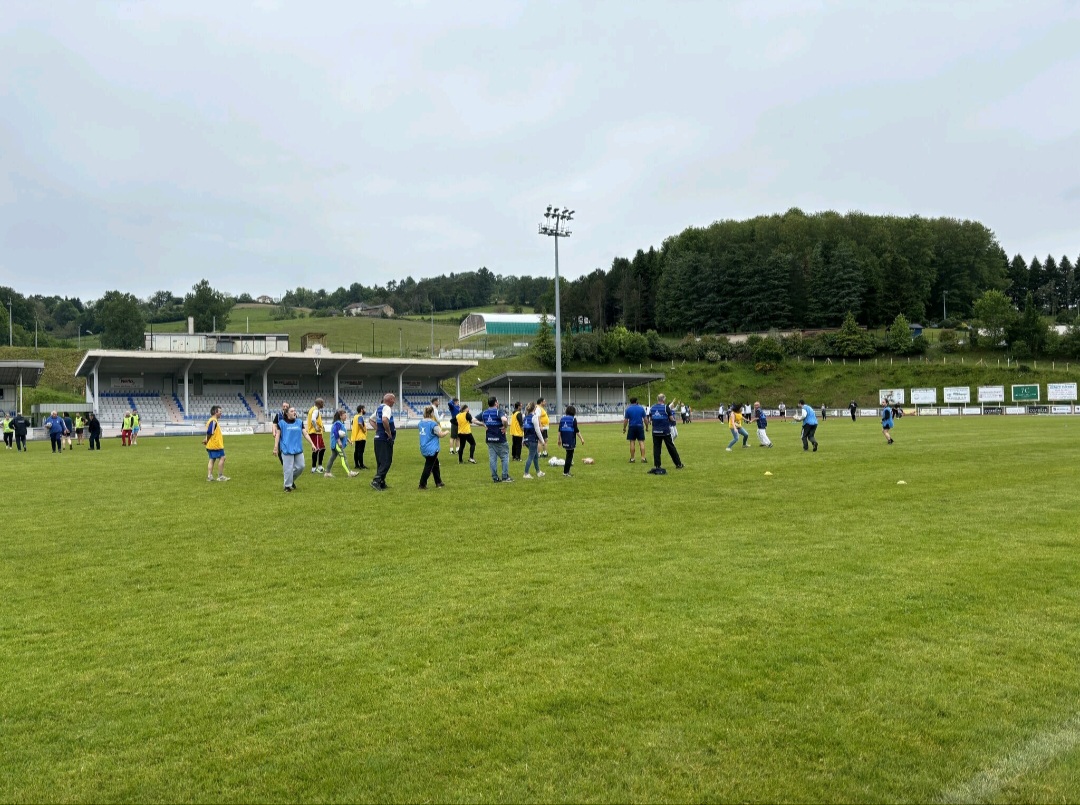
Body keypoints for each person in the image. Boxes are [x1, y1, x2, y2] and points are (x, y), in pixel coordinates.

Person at [274, 405, 312, 492]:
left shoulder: (299, 422)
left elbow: (305, 434)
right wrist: (276, 447)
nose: (294, 412)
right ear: (287, 414)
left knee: (301, 466)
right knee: (288, 469)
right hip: (287, 449)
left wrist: (312, 444)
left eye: (295, 411)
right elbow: (278, 435)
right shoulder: (281, 423)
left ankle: (291, 481)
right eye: (292, 411)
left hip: (298, 449)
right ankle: (287, 486)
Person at [647, 394, 684, 474]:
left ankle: (657, 465)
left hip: (655, 432)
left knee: (657, 449)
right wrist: (673, 421)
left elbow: (650, 419)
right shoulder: (665, 407)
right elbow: (671, 418)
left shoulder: (652, 408)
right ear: (663, 399)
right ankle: (678, 463)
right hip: (665, 431)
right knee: (671, 447)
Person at [480, 396, 511, 483]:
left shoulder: (484, 412)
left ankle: (495, 478)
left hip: (489, 439)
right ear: (496, 403)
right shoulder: (498, 411)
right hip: (500, 439)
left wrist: (483, 424)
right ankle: (505, 476)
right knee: (504, 457)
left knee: (492, 459)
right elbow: (504, 419)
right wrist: (505, 427)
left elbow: (473, 420)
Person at [370, 393, 396, 491]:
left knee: (381, 462)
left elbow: (371, 420)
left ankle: (382, 482)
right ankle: (376, 481)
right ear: (389, 400)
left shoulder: (379, 408)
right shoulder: (387, 408)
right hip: (384, 439)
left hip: (378, 438)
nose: (394, 401)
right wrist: (388, 433)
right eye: (393, 399)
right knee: (386, 461)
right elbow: (385, 420)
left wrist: (378, 430)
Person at [417, 405, 447, 489]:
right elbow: (440, 434)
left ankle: (438, 482)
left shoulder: (420, 423)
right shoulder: (433, 424)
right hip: (432, 448)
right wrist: (446, 432)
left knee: (435, 464)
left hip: (423, 447)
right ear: (432, 413)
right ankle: (422, 484)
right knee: (429, 466)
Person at [324, 408, 359, 478]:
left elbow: (343, 434)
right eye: (345, 415)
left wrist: (348, 440)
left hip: (335, 444)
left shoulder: (340, 423)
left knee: (332, 458)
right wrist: (339, 441)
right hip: (337, 444)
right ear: (340, 416)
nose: (346, 416)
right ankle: (349, 472)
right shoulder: (338, 423)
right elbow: (335, 432)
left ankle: (327, 473)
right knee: (344, 457)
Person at [522, 401, 546, 479]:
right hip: (532, 440)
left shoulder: (526, 417)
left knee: (535, 456)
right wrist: (542, 441)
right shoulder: (534, 417)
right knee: (531, 456)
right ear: (534, 408)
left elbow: (524, 430)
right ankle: (526, 473)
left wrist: (523, 440)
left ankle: (538, 472)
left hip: (527, 439)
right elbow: (537, 430)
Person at [203, 405, 229, 481]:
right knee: (223, 458)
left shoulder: (212, 420)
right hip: (216, 445)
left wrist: (206, 440)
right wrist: (207, 439)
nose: (221, 413)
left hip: (211, 445)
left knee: (212, 459)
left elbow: (210, 432)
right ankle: (220, 476)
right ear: (215, 412)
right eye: (220, 411)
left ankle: (209, 476)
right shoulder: (214, 421)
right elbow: (210, 432)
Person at [558, 405, 583, 477]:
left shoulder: (562, 419)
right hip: (570, 439)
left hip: (564, 439)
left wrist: (559, 440)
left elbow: (559, 430)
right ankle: (566, 472)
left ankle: (566, 471)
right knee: (569, 456)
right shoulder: (573, 419)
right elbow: (576, 431)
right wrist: (581, 439)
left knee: (568, 454)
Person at [623, 396, 648, 463]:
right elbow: (645, 419)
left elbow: (626, 420)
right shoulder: (641, 408)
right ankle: (643, 458)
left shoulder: (628, 409)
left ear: (630, 402)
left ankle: (632, 458)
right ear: (636, 401)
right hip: (640, 426)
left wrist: (624, 428)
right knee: (641, 442)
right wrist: (647, 427)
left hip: (632, 427)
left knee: (632, 442)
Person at [306, 397, 326, 473]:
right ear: (319, 403)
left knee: (322, 448)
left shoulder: (312, 409)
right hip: (315, 433)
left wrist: (321, 426)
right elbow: (313, 419)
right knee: (316, 449)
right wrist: (316, 427)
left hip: (316, 433)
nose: (323, 404)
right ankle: (314, 468)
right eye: (322, 403)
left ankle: (319, 467)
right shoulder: (315, 410)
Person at [271, 401, 290, 465]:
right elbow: (274, 424)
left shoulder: (291, 415)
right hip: (280, 436)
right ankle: (284, 466)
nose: (285, 407)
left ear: (289, 407)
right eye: (284, 406)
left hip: (289, 436)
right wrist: (274, 432)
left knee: (289, 451)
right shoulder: (278, 415)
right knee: (279, 452)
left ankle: (290, 465)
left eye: (286, 406)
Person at [351, 405, 369, 469]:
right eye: (364, 409)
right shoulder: (360, 417)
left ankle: (356, 465)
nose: (365, 410)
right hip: (361, 436)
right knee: (360, 452)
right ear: (361, 410)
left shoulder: (355, 416)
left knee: (356, 451)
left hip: (356, 436)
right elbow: (360, 423)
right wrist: (364, 430)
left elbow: (352, 424)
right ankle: (361, 465)